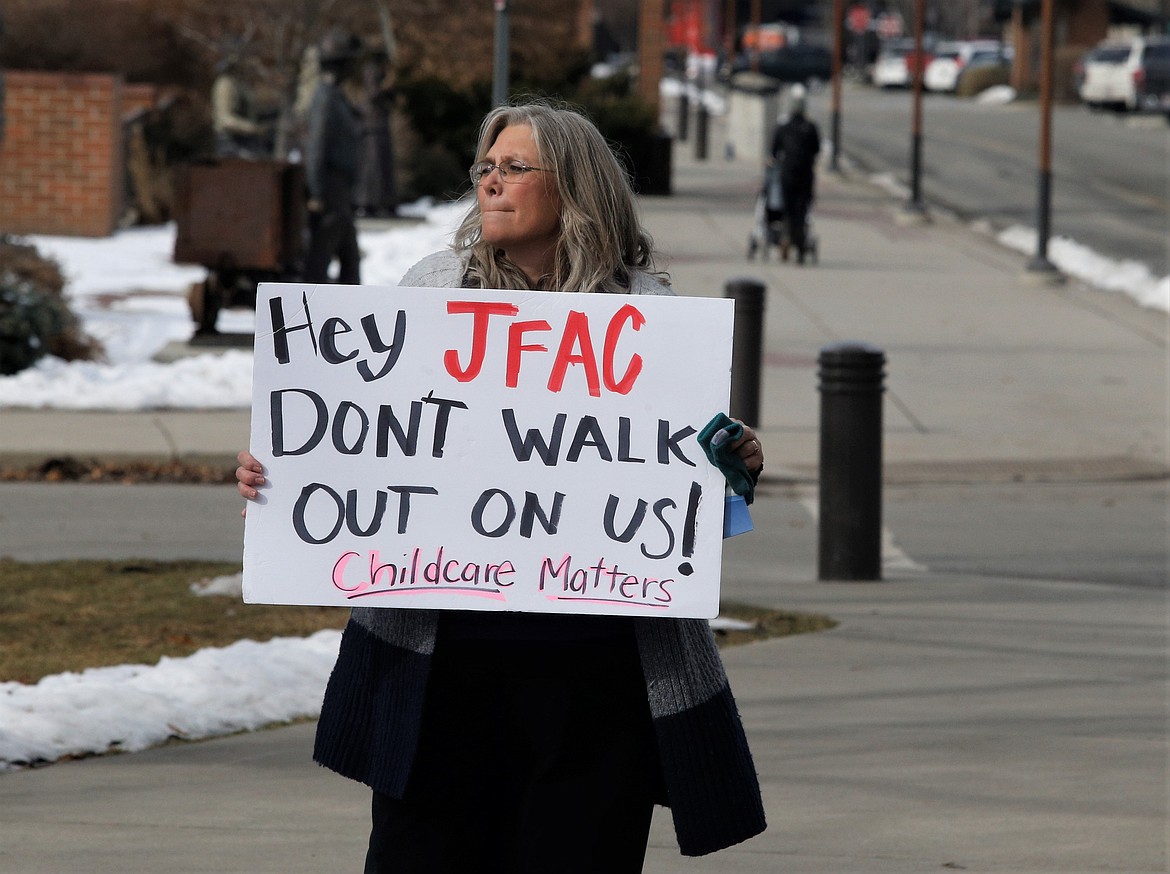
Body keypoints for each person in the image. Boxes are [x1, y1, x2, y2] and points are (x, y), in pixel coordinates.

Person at [236, 101, 767, 873]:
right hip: (438, 673)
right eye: (485, 167)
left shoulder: (646, 316)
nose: (490, 182)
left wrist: (731, 473)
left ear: (577, 189)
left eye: (515, 168)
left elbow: (671, 514)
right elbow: (363, 441)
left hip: (596, 685)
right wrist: (279, 469)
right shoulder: (428, 295)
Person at [303, 29, 362, 285]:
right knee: (323, 253)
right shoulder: (325, 97)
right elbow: (316, 145)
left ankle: (350, 307)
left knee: (349, 256)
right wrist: (316, 192)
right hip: (330, 188)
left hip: (341, 189)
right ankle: (310, 311)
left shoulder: (336, 96)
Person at [769, 83, 821, 264]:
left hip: (788, 174)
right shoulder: (810, 127)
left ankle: (786, 237)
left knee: (787, 209)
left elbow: (774, 151)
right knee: (802, 209)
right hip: (806, 174)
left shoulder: (783, 127)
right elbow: (816, 149)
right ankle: (800, 243)